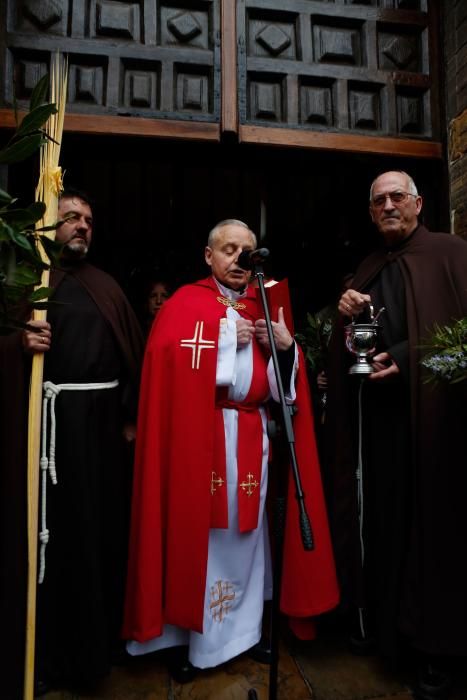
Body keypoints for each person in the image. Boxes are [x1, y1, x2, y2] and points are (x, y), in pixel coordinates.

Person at [123, 219, 339, 681]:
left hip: (252, 435)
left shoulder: (267, 303)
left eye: (247, 251)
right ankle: (187, 639)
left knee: (250, 535)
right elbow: (166, 359)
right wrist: (225, 340)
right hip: (199, 438)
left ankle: (245, 632)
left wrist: (286, 349)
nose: (239, 258)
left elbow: (288, 392)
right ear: (209, 255)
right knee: (197, 536)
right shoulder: (185, 302)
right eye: (229, 249)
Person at [325, 171, 467, 699]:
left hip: (436, 431)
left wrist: (408, 360)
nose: (388, 206)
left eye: (397, 197)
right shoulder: (366, 268)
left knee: (433, 533)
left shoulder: (452, 255)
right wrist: (344, 318)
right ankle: (387, 634)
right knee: (384, 529)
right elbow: (350, 346)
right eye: (378, 200)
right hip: (378, 431)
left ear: (419, 204)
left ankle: (437, 650)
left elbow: (464, 342)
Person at [0, 188, 144, 697]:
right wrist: (19, 343)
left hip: (102, 436)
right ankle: (50, 651)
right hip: (48, 436)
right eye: (70, 218)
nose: (81, 226)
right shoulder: (26, 284)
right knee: (52, 540)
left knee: (100, 534)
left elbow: (136, 360)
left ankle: (97, 647)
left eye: (87, 219)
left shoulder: (107, 286)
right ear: (47, 226)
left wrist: (129, 419)